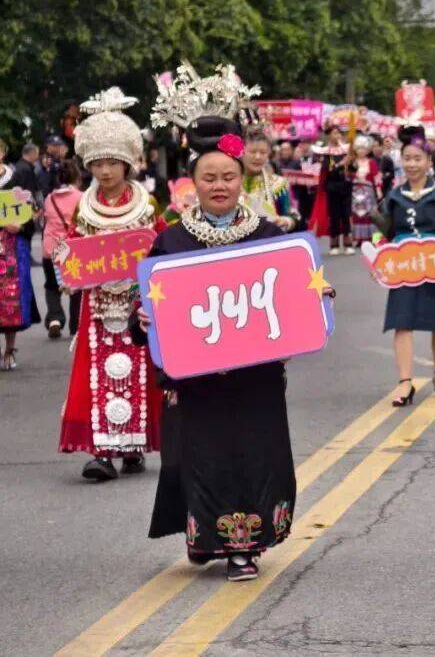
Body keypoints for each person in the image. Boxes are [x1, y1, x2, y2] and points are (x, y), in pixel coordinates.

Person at [133, 111, 316, 582]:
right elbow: (149, 317)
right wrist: (144, 318)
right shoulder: (170, 242)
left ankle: (243, 547)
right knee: (203, 456)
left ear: (243, 179)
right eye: (209, 177)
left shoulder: (269, 237)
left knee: (253, 454)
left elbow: (295, 300)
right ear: (191, 183)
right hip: (197, 383)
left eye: (228, 177)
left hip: (255, 380)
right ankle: (205, 537)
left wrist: (315, 296)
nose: (220, 186)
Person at [57, 88, 163, 481]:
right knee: (97, 374)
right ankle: (103, 451)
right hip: (99, 304)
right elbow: (69, 251)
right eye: (98, 163)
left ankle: (132, 447)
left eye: (112, 163)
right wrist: (65, 266)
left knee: (139, 370)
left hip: (136, 303)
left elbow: (160, 245)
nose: (104, 171)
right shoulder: (85, 207)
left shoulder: (146, 205)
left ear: (127, 164)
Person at [375, 126, 435, 405]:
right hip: (404, 268)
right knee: (401, 323)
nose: (412, 164)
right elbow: (380, 231)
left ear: (429, 163)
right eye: (407, 158)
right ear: (401, 161)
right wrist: (379, 252)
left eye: (418, 159)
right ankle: (405, 383)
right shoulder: (394, 196)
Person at [0, 138, 41, 368]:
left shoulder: (16, 177)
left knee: (11, 297)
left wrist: (21, 225)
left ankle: (9, 348)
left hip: (12, 246)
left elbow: (30, 210)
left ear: (3, 153)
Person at [41, 159, 83, 339]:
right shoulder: (82, 197)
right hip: (73, 250)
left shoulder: (49, 198)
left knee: (52, 286)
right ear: (77, 177)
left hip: (50, 250)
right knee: (77, 289)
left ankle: (55, 320)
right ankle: (75, 328)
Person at [240, 126, 299, 232]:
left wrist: (284, 221)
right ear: (241, 152)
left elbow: (293, 215)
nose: (258, 157)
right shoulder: (230, 183)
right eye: (252, 152)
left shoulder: (279, 184)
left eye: (263, 152)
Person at [314, 126, 354, 255]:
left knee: (346, 215)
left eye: (338, 133)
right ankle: (334, 244)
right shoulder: (325, 152)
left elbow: (353, 168)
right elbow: (327, 170)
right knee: (334, 216)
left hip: (346, 186)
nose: (337, 135)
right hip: (332, 187)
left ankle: (348, 243)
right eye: (335, 132)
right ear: (329, 135)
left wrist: (351, 164)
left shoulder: (346, 150)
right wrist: (340, 164)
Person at [350, 135, 381, 244]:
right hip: (355, 191)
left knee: (369, 214)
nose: (361, 151)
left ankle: (371, 237)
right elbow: (349, 175)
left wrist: (379, 190)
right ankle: (358, 238)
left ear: (367, 150)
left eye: (363, 148)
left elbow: (376, 177)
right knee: (357, 214)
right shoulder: (353, 162)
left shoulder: (371, 162)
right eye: (359, 148)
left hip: (368, 191)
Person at [35, 134, 69, 198]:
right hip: (45, 195)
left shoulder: (57, 159)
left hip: (55, 194)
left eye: (59, 145)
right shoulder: (43, 159)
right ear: (48, 146)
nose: (58, 147)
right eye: (55, 145)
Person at [370, 133, 397, 203]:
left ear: (382, 146)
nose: (376, 149)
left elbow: (392, 174)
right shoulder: (370, 160)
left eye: (378, 146)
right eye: (373, 146)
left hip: (386, 189)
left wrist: (383, 177)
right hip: (373, 190)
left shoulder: (387, 159)